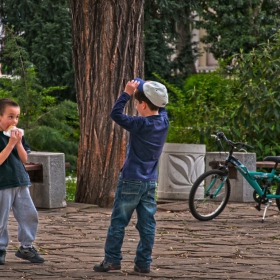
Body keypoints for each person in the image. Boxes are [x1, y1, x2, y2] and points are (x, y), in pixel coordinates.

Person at [93, 78, 169, 274]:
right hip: (150, 182)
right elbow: (161, 102)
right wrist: (144, 85)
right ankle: (143, 263)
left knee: (118, 222)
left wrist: (127, 92)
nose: (135, 106)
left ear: (143, 105)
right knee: (147, 224)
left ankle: (112, 260)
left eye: (136, 103)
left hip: (130, 180)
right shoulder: (164, 121)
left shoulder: (139, 124)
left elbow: (115, 114)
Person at [0, 98, 44, 264]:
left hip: (20, 180)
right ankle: (0, 248)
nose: (14, 121)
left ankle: (26, 246)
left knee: (29, 214)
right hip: (3, 183)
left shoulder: (17, 135)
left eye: (17, 117)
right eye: (10, 117)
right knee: (1, 219)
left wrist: (18, 143)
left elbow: (24, 159)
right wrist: (10, 144)